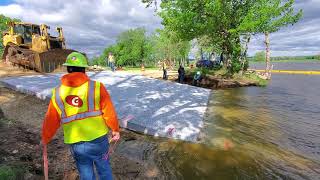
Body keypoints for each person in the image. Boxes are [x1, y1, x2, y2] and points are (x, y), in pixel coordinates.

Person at [41, 52, 120, 180]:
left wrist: (45, 137)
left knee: (86, 174)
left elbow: (51, 119)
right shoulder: (97, 87)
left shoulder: (57, 93)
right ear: (84, 69)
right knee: (104, 169)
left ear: (67, 69)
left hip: (76, 143)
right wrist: (115, 129)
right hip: (98, 140)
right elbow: (109, 112)